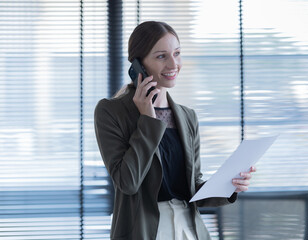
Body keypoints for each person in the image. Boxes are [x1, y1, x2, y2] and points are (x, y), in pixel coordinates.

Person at [94, 21, 256, 240]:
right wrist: (147, 119)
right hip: (145, 231)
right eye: (161, 56)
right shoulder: (111, 111)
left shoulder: (187, 117)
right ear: (138, 64)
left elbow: (193, 190)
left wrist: (230, 186)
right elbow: (127, 182)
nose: (174, 64)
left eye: (177, 53)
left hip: (188, 230)